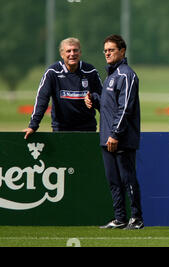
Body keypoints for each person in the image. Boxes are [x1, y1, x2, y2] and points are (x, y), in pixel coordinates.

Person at [85, 34, 143, 230]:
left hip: (121, 139)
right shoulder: (111, 76)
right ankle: (119, 218)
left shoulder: (127, 75)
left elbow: (125, 107)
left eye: (111, 50)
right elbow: (108, 108)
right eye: (105, 51)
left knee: (128, 180)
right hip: (107, 138)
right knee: (114, 182)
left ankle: (136, 218)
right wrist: (94, 98)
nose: (107, 53)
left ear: (122, 51)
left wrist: (115, 134)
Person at [23, 37, 102, 139]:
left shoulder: (90, 71)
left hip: (87, 129)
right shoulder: (53, 72)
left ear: (80, 52)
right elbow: (42, 99)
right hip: (61, 129)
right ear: (62, 54)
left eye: (75, 50)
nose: (72, 54)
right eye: (68, 51)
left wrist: (108, 128)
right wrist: (33, 126)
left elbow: (103, 100)